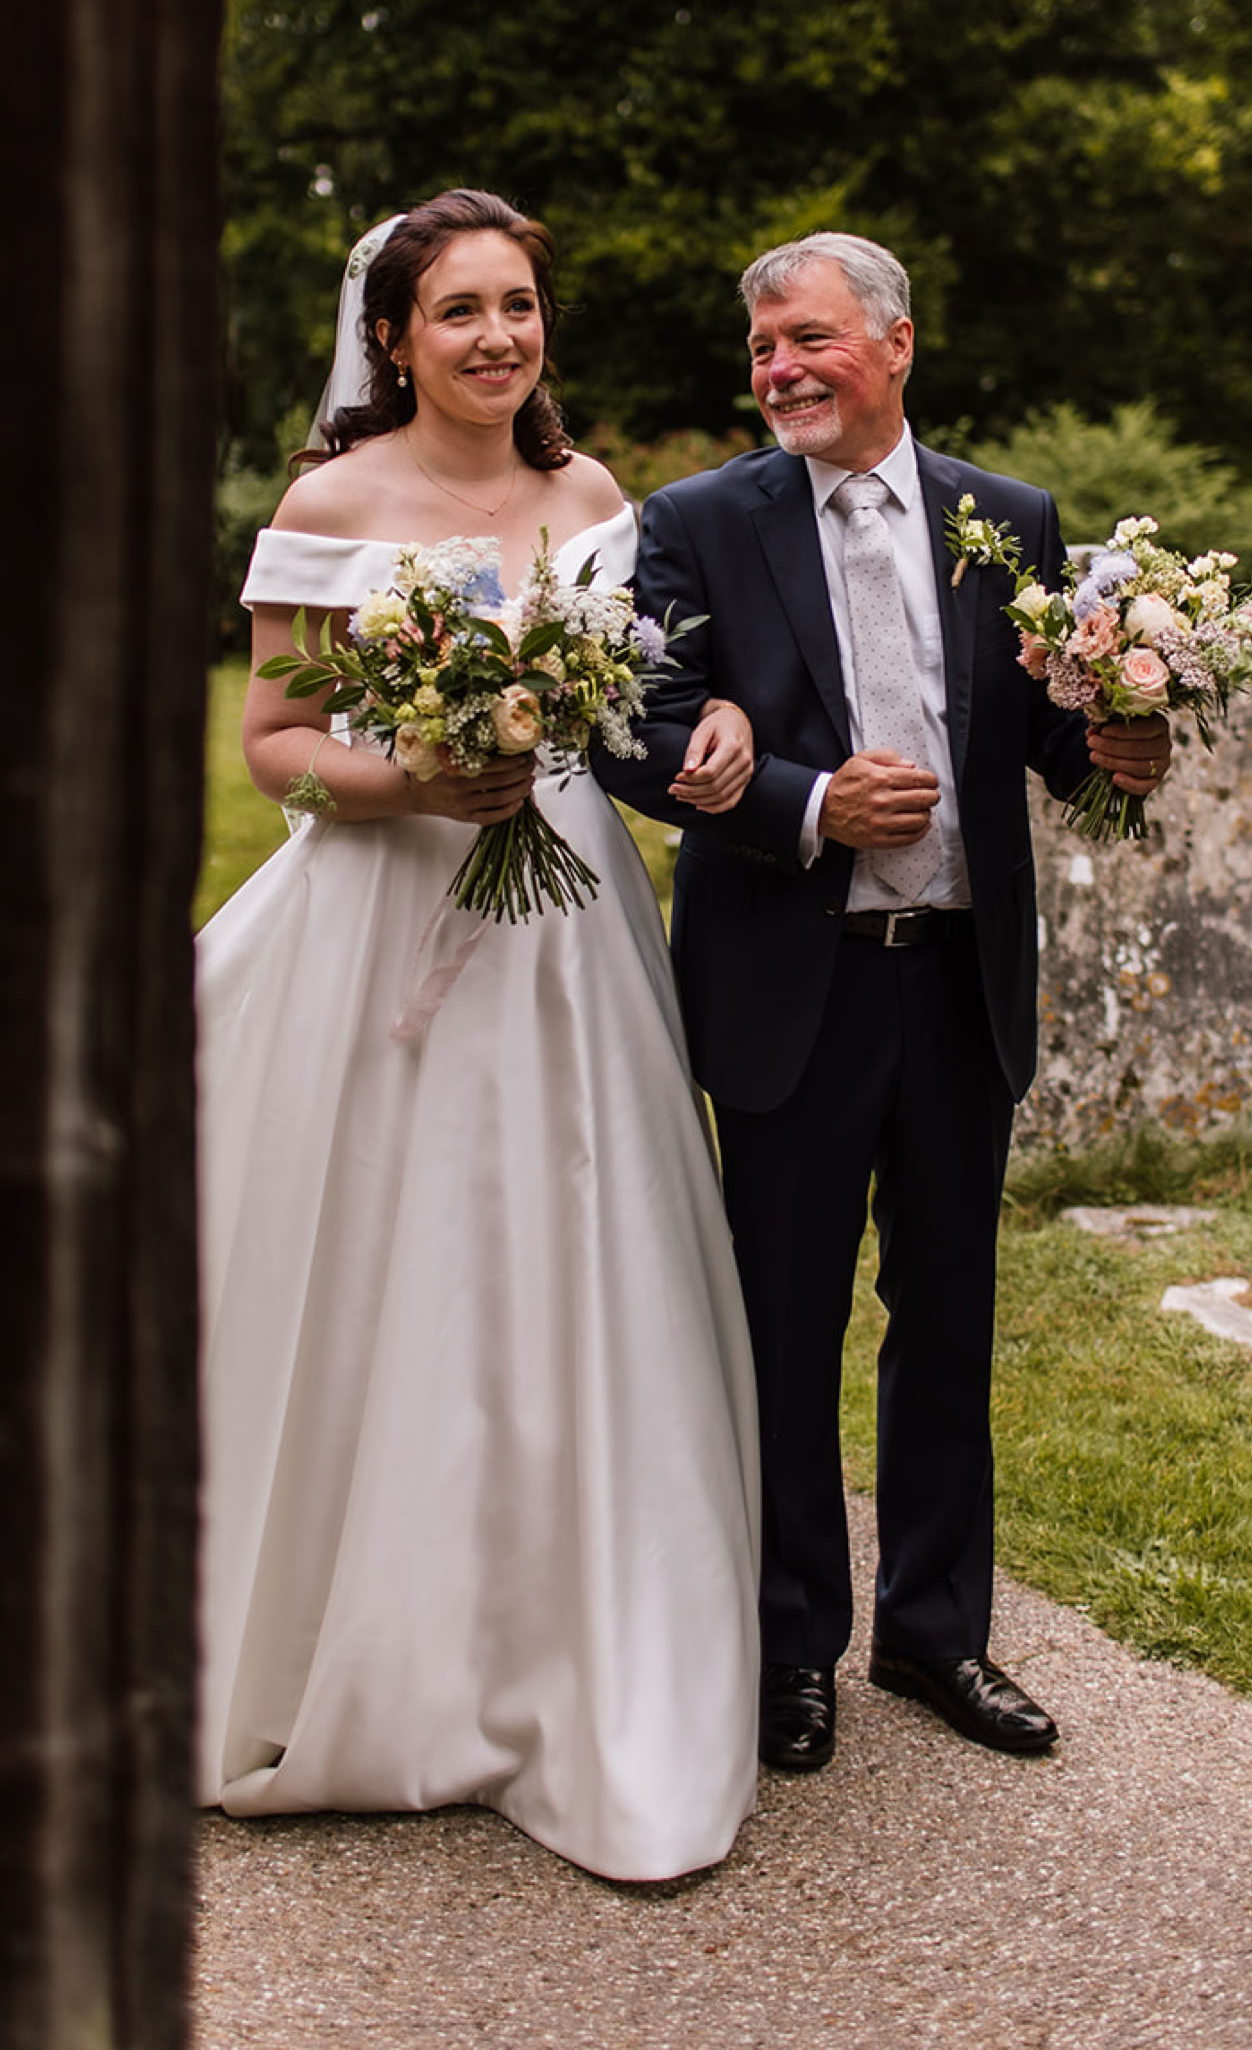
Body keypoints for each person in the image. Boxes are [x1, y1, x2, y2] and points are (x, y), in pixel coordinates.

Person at [196, 189, 761, 1881]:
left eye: (518, 305)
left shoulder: (589, 496)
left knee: (572, 1245)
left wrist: (722, 718)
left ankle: (566, 1646)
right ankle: (369, 1646)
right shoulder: (331, 503)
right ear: (392, 338)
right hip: (383, 922)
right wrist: (414, 781)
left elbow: (648, 701)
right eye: (459, 311)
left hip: (569, 926)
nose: (498, 337)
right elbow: (275, 743)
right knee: (391, 1247)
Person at [605, 231, 1170, 1774]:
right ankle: (791, 1649)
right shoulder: (698, 522)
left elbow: (1051, 729)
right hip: (797, 987)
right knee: (784, 1331)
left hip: (960, 983)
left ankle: (936, 1633)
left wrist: (1121, 749)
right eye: (763, 349)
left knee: (949, 1319)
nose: (779, 369)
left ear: (897, 343)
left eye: (809, 338)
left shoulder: (1011, 518)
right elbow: (633, 725)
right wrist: (802, 802)